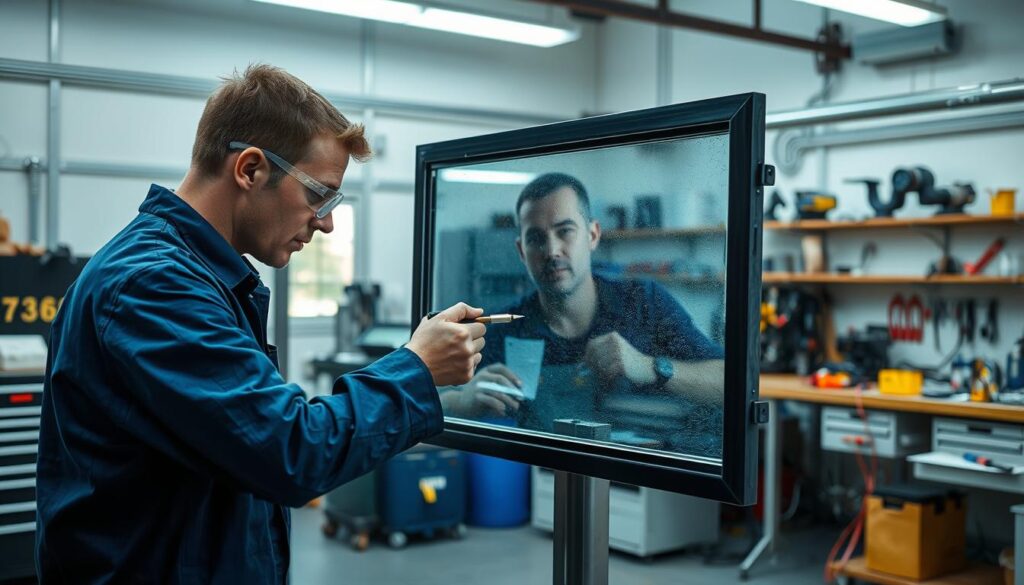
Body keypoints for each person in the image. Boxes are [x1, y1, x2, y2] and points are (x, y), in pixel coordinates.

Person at [35, 64, 486, 584]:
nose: (327, 221)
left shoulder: (197, 277)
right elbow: (292, 451)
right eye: (319, 194)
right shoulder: (153, 286)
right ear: (249, 169)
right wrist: (417, 368)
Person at [440, 172, 724, 434]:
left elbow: (728, 382)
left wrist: (648, 367)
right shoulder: (508, 327)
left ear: (592, 235)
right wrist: (460, 401)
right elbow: (417, 390)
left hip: (639, 481)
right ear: (521, 251)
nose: (552, 251)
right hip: (543, 479)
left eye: (565, 231)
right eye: (536, 238)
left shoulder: (643, 303)